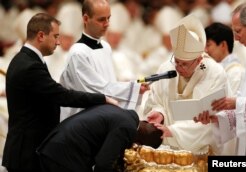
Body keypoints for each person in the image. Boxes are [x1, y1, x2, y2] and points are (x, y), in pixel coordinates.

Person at [1, 13, 118, 172]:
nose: (58, 41)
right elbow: (62, 96)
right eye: (55, 36)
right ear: (41, 36)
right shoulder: (29, 66)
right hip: (27, 153)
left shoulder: (26, 59)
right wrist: (101, 98)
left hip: (28, 148)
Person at [141, 14, 233, 155]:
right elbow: (156, 100)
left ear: (198, 60)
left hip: (199, 150)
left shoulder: (214, 73)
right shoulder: (167, 68)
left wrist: (174, 131)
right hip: (166, 146)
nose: (178, 67)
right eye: (177, 61)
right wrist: (160, 113)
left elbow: (209, 119)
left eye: (184, 64)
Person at [59, 0, 149, 121]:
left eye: (108, 18)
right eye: (101, 20)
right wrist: (132, 89)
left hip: (102, 116)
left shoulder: (105, 47)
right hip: (80, 120)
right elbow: (96, 92)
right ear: (86, 19)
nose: (107, 24)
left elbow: (109, 83)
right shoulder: (78, 53)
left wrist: (136, 87)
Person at [194, 2, 246, 155]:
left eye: (238, 31)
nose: (237, 39)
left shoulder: (236, 70)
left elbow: (241, 103)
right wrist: (218, 119)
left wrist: (235, 103)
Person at [36, 104, 163, 172]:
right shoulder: (127, 128)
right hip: (65, 158)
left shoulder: (122, 113)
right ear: (139, 141)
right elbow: (103, 164)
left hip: (54, 147)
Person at [205, 22, 245, 95]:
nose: (205, 50)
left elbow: (232, 103)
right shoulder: (211, 69)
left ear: (223, 45)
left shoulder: (236, 73)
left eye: (208, 45)